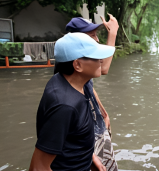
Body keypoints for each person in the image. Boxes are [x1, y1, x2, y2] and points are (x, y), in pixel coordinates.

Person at [29, 33, 115, 171]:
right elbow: (38, 167)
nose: (101, 60)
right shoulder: (64, 106)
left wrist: (91, 158)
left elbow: (72, 137)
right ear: (77, 65)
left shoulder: (73, 83)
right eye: (95, 56)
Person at [63, 16, 119, 171]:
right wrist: (90, 154)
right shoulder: (73, 65)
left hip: (95, 125)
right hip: (86, 137)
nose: (97, 40)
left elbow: (88, 85)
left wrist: (103, 112)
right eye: (92, 35)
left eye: (96, 35)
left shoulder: (84, 61)